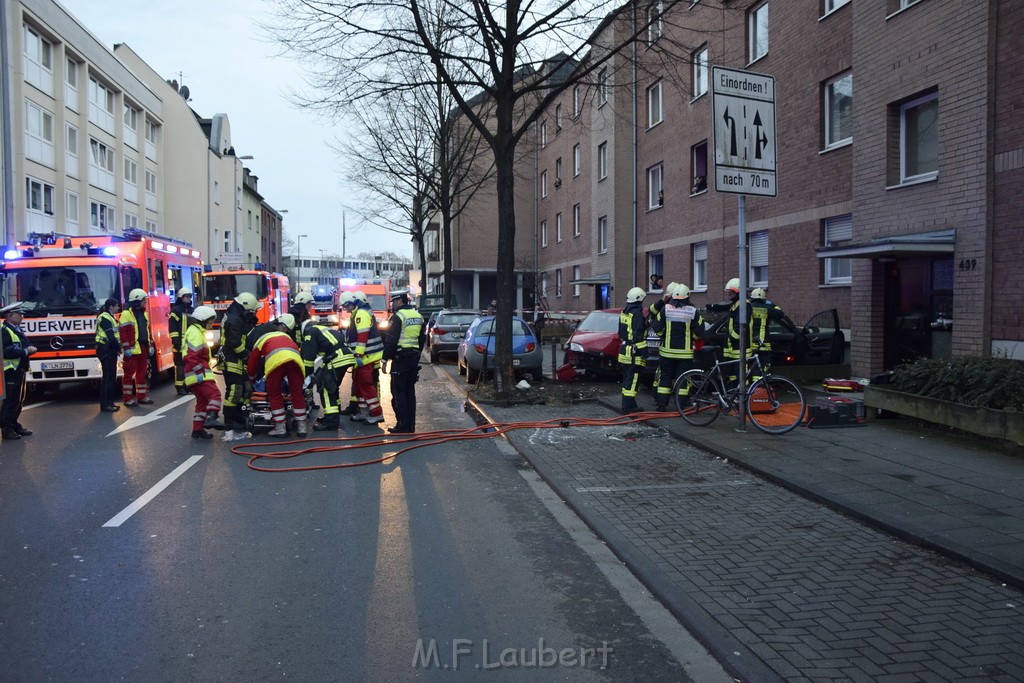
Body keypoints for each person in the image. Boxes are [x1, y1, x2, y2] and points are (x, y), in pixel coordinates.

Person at [247, 314, 308, 437]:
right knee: (297, 393)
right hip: (296, 362)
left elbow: (253, 362)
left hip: (276, 364)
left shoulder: (261, 339)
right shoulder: (287, 337)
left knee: (274, 394)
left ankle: (280, 429)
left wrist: (252, 378)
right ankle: (302, 428)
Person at [650, 284, 704, 411]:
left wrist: (664, 335)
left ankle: (661, 405)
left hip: (667, 353)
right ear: (688, 296)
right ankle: (682, 405)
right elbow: (700, 331)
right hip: (684, 354)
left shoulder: (666, 309)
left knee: (665, 377)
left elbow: (656, 326)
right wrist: (692, 338)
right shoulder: (692, 311)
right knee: (683, 379)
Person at [300, 316, 356, 431]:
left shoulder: (310, 331)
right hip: (344, 357)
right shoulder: (323, 329)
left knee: (325, 388)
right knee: (332, 387)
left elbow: (309, 357)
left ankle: (331, 421)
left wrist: (308, 375)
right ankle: (333, 415)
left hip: (336, 358)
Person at [382, 290, 425, 434]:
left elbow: (391, 341)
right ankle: (411, 425)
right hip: (413, 359)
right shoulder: (418, 316)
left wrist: (384, 359)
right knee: (409, 392)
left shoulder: (397, 317)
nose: (393, 305)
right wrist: (417, 354)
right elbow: (421, 339)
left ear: (399, 301)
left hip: (400, 359)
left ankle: (402, 425)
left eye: (394, 302)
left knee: (398, 392)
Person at [183, 306, 226, 439]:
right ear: (202, 320)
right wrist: (199, 371)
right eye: (210, 321)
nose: (211, 324)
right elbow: (192, 356)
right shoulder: (195, 333)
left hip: (194, 374)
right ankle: (211, 418)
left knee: (202, 402)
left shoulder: (195, 331)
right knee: (215, 395)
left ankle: (197, 429)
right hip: (198, 374)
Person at [221, 291, 261, 431]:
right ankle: (230, 419)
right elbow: (235, 342)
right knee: (234, 391)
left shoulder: (237, 317)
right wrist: (246, 355)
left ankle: (238, 415)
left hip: (236, 361)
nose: (254, 313)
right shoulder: (235, 320)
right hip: (233, 361)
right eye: (252, 311)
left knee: (242, 389)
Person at [346, 290, 385, 424]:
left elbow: (362, 336)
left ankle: (376, 413)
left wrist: (358, 355)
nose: (346, 309)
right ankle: (363, 412)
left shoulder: (361, 314)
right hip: (365, 355)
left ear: (353, 303)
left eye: (347, 306)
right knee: (359, 384)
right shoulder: (360, 313)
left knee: (366, 385)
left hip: (366, 356)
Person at [1, 302, 37, 439]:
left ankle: (14, 424)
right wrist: (26, 351)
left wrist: (29, 348)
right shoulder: (4, 330)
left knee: (19, 400)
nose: (22, 317)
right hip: (10, 371)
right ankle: (6, 428)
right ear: (10, 315)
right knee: (10, 401)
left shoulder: (16, 328)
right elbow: (5, 351)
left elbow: (23, 343)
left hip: (19, 369)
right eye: (19, 314)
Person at [119, 288, 154, 406]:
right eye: (144, 300)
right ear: (138, 300)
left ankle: (142, 396)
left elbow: (147, 330)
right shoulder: (126, 314)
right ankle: (127, 398)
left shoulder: (144, 313)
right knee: (129, 374)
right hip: (132, 348)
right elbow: (123, 333)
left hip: (143, 346)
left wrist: (151, 344)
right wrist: (126, 348)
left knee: (142, 373)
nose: (146, 302)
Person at [617, 287, 649, 414]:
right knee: (633, 379)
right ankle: (629, 407)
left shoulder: (624, 312)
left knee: (627, 379)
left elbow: (621, 332)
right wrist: (645, 352)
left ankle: (627, 404)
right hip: (633, 353)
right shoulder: (637, 314)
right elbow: (637, 337)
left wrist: (645, 325)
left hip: (624, 350)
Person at [94, 298, 122, 413]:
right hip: (106, 350)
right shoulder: (105, 317)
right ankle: (105, 405)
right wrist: (118, 348)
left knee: (111, 377)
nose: (118, 308)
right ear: (111, 306)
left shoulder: (110, 317)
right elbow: (110, 336)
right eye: (116, 306)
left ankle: (109, 403)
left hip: (109, 350)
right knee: (108, 378)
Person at [169, 288, 194, 395]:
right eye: (186, 296)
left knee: (189, 366)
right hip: (179, 344)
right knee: (180, 366)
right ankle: (180, 387)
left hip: (190, 344)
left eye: (189, 296)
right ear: (181, 297)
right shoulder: (176, 310)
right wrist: (176, 342)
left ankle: (187, 386)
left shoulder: (192, 311)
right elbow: (173, 328)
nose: (188, 298)